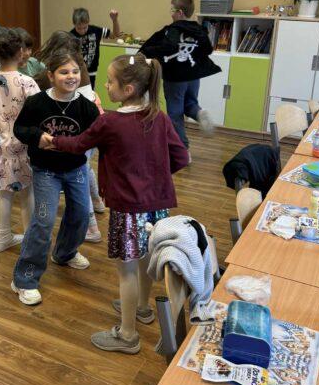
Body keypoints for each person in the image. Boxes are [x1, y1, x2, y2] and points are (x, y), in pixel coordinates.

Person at [42, 53, 189, 353]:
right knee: (145, 259)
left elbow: (78, 145)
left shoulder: (110, 122)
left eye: (110, 82)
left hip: (127, 208)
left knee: (127, 270)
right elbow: (181, 157)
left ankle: (127, 335)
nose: (106, 86)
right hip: (156, 206)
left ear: (128, 89)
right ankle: (143, 308)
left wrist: (52, 140)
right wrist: (155, 177)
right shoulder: (159, 116)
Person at [11, 48, 100, 305]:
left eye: (75, 71)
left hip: (77, 170)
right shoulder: (36, 103)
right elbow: (20, 128)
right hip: (46, 171)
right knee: (44, 220)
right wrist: (37, 136)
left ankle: (64, 253)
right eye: (64, 72)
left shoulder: (86, 107)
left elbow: (98, 135)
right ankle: (24, 280)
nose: (71, 76)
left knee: (81, 214)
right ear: (50, 75)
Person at [34, 30, 105, 240]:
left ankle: (92, 228)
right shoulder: (78, 65)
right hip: (92, 126)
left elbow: (40, 86)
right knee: (86, 167)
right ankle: (98, 202)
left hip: (81, 129)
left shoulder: (59, 71)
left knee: (81, 171)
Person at [0, 28, 40, 252]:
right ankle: (30, 238)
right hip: (23, 146)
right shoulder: (27, 82)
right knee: (27, 192)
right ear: (21, 51)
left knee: (2, 193)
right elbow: (39, 114)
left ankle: (2, 237)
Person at [140, 0, 219, 157]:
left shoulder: (172, 30)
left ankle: (182, 150)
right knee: (190, 103)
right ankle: (200, 114)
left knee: (175, 113)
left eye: (172, 10)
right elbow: (208, 49)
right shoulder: (199, 29)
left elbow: (166, 47)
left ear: (180, 12)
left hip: (175, 77)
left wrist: (145, 53)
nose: (171, 14)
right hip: (193, 76)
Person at [70, 8, 121, 88]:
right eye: (79, 28)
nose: (82, 31)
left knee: (89, 93)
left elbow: (115, 35)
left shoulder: (95, 30)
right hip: (75, 72)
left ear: (88, 22)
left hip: (91, 72)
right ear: (74, 24)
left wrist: (114, 20)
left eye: (85, 27)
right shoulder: (70, 36)